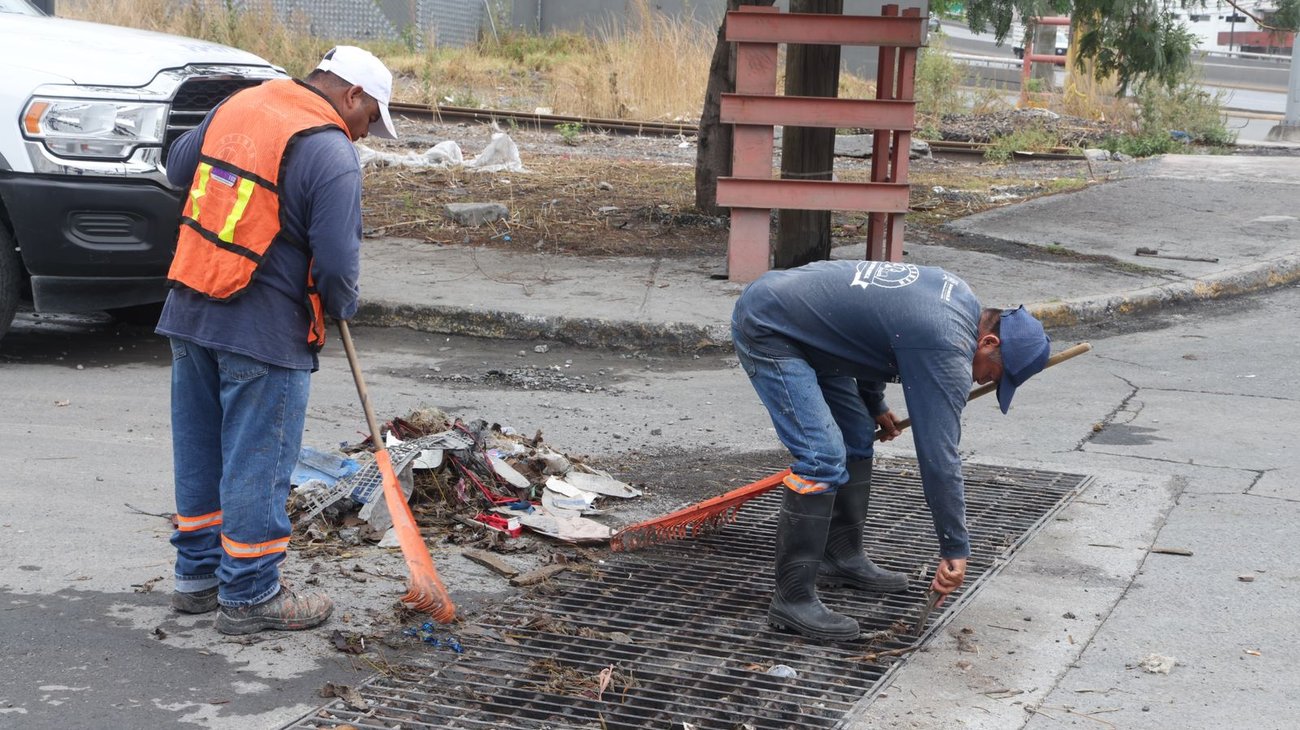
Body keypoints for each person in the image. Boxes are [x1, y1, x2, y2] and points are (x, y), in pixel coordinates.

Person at [159, 46, 397, 635]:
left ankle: (198, 581)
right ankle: (250, 594)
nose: (365, 134)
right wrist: (339, 308)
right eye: (370, 120)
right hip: (265, 329)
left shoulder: (240, 104)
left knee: (201, 454)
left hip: (191, 308)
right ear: (352, 96)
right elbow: (339, 264)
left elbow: (177, 169)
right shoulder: (330, 148)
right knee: (257, 463)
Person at [731, 259, 1051, 641]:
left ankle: (840, 556)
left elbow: (871, 329)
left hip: (807, 322)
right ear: (989, 342)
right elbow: (939, 456)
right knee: (821, 459)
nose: (983, 380)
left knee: (855, 434)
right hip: (772, 327)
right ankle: (792, 600)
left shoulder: (960, 300)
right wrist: (954, 547)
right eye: (994, 375)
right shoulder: (947, 343)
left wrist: (874, 402)